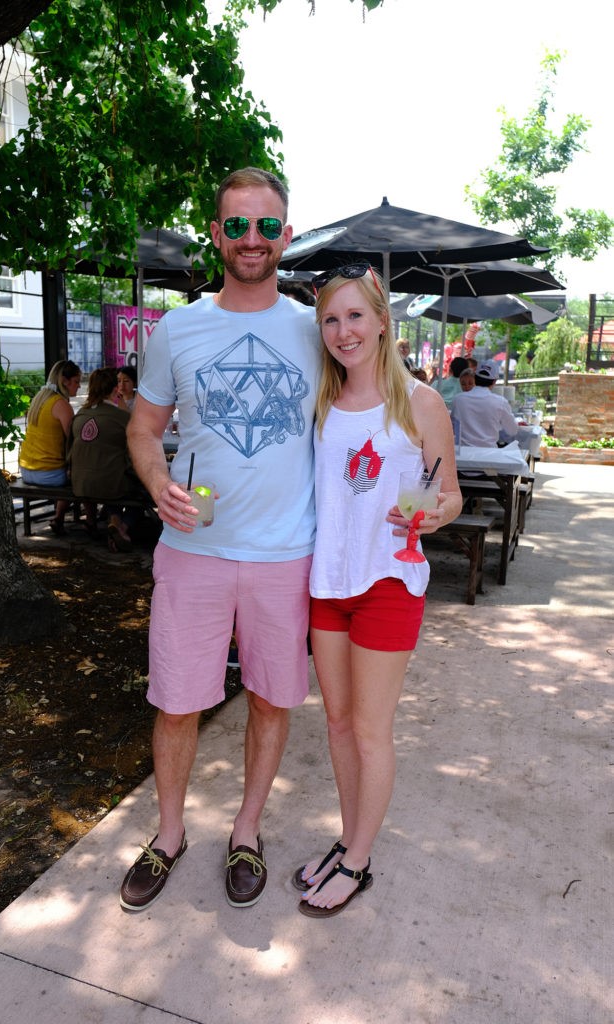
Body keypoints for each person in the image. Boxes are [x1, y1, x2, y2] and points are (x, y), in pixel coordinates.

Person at [119, 167, 320, 912]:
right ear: (216, 233)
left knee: (272, 700)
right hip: (195, 552)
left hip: (284, 554)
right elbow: (143, 429)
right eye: (237, 225)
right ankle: (169, 833)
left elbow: (384, 398)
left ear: (286, 236)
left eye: (267, 226)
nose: (252, 240)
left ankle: (247, 829)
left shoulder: (314, 327)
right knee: (176, 701)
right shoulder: (179, 328)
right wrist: (155, 482)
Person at [293, 262, 462, 918]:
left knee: (369, 728)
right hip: (328, 582)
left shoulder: (420, 402)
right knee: (335, 724)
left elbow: (446, 494)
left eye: (355, 315)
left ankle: (358, 862)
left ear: (383, 320)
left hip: (389, 580)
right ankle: (348, 838)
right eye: (331, 319)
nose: (343, 331)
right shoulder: (321, 401)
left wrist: (432, 514)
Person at [68, 366, 138, 551]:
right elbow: (136, 454)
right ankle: (122, 525)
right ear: (115, 389)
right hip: (110, 485)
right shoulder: (123, 417)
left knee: (109, 475)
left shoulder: (80, 415)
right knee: (141, 490)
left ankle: (111, 520)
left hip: (80, 484)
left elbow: (70, 453)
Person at [18, 359, 82, 534]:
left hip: (26, 470)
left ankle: (59, 518)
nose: (79, 387)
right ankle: (85, 521)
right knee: (84, 475)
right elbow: (74, 440)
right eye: (76, 381)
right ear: (64, 381)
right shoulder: (62, 405)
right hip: (48, 474)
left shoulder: (39, 398)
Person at [450, 360, 518, 447]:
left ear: (475, 377)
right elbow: (512, 430)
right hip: (488, 455)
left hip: (463, 454)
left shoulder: (458, 400)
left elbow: (452, 427)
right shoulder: (500, 402)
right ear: (494, 381)